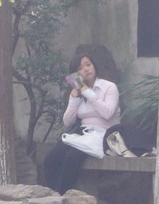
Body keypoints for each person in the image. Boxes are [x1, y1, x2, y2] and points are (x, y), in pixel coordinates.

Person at [42, 53, 121, 194]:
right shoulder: (78, 92)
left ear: (94, 66)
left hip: (105, 134)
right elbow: (68, 121)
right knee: (51, 158)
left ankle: (61, 195)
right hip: (83, 133)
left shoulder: (109, 87)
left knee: (72, 157)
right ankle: (51, 195)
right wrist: (74, 98)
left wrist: (88, 92)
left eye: (88, 64)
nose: (86, 69)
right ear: (76, 74)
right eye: (80, 68)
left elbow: (108, 113)